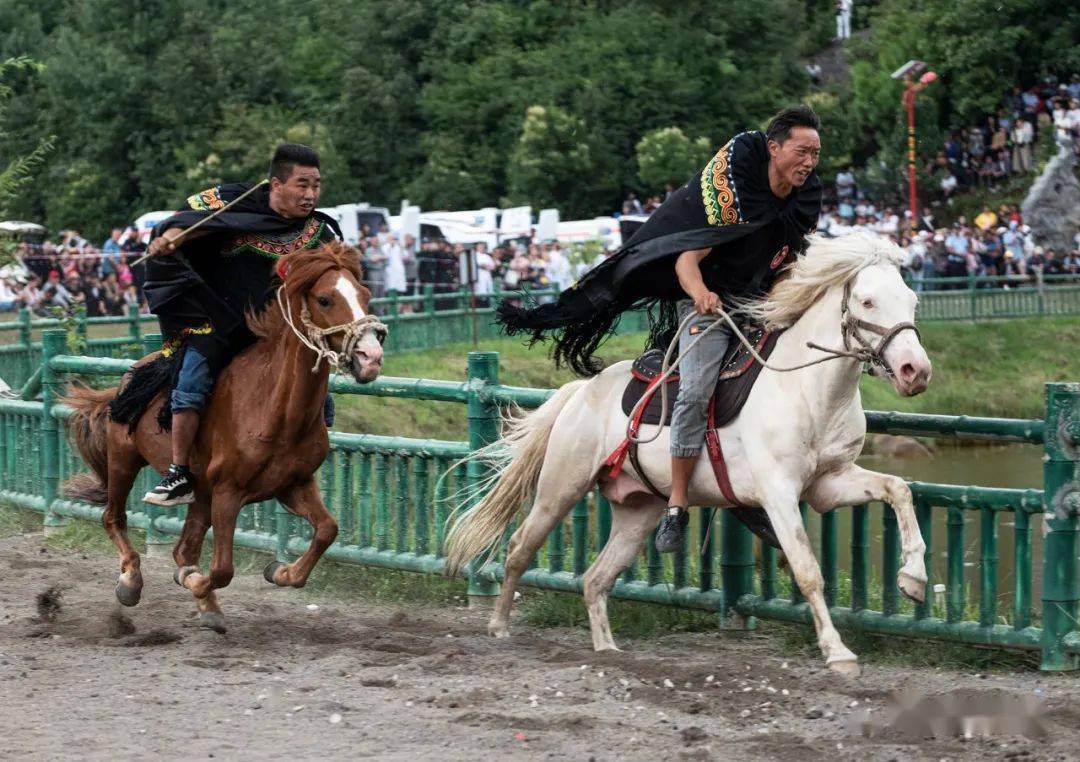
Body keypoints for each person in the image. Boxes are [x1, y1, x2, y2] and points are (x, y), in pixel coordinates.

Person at [497, 106, 823, 552]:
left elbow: (787, 263)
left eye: (816, 154)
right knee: (695, 390)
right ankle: (677, 503)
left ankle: (757, 486)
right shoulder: (737, 193)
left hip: (759, 309)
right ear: (774, 147)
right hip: (710, 308)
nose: (809, 161)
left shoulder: (802, 204)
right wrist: (702, 296)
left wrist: (782, 302)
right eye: (802, 151)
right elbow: (686, 259)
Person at [140, 143, 342, 505]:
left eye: (316, 185)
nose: (310, 194)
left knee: (316, 389)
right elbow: (187, 226)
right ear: (276, 184)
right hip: (222, 323)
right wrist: (170, 239)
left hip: (279, 335)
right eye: (302, 184)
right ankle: (179, 472)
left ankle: (294, 463)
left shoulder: (317, 233)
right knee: (191, 380)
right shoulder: (232, 205)